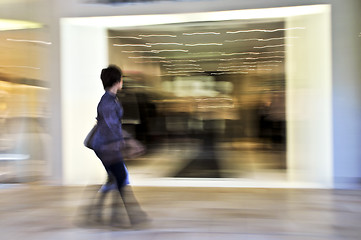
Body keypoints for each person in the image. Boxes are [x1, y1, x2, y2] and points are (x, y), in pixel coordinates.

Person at [91, 65, 148, 227]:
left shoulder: (110, 99)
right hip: (106, 147)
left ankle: (98, 214)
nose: (122, 81)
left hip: (107, 145)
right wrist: (130, 142)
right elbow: (112, 126)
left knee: (113, 179)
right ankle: (134, 216)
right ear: (117, 81)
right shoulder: (108, 102)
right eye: (121, 78)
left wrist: (126, 142)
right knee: (121, 178)